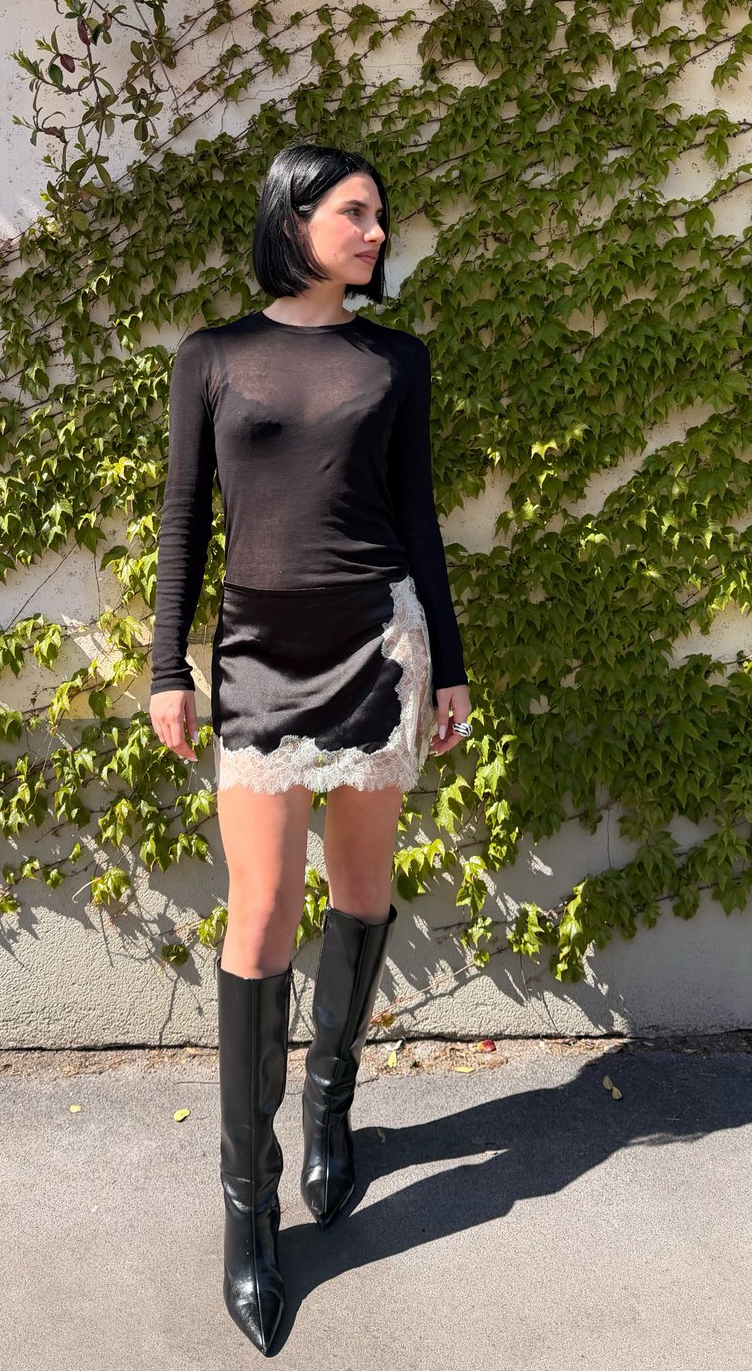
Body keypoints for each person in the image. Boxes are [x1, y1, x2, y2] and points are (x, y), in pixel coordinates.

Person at [149, 142, 472, 1355]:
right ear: (293, 219)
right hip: (258, 657)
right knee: (260, 911)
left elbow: (416, 515)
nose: (376, 230)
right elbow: (184, 517)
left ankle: (331, 1106)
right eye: (354, 211)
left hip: (376, 644)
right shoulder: (212, 356)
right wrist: (166, 668)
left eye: (380, 214)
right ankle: (250, 1206)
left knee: (362, 888)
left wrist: (450, 662)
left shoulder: (397, 361)